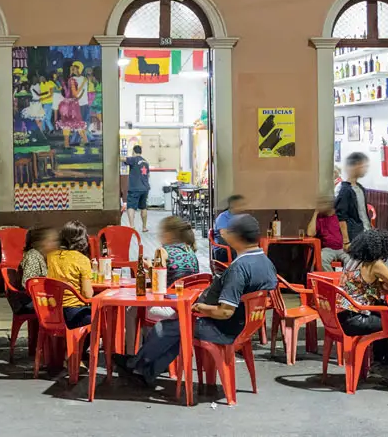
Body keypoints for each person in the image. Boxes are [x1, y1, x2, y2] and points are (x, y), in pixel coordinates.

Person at [114, 214, 277, 387]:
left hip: (223, 327)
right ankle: (145, 372)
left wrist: (201, 307)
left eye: (228, 231)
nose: (223, 234)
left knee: (165, 328)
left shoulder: (239, 268)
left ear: (237, 237)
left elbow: (224, 312)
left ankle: (134, 365)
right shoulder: (266, 262)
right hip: (247, 326)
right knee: (177, 331)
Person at [335, 229, 388, 379]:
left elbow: (363, 284)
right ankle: (385, 364)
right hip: (357, 319)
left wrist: (381, 284)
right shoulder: (375, 264)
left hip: (342, 316)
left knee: (386, 316)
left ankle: (379, 362)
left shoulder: (352, 260)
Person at [46, 221, 94, 329]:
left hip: (51, 312)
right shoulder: (82, 260)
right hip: (75, 313)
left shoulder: (50, 256)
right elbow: (87, 294)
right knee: (102, 317)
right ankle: (85, 345)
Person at [335, 152, 371, 253]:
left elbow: (363, 213)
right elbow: (341, 216)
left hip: (366, 232)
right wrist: (346, 241)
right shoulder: (345, 190)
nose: (365, 169)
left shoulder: (360, 188)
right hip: (354, 236)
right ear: (356, 166)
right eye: (363, 166)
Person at [307, 197, 349, 270]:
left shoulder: (339, 216)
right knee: (321, 259)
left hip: (342, 248)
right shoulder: (319, 218)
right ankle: (332, 279)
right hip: (327, 249)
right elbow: (310, 233)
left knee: (351, 261)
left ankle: (345, 279)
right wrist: (315, 213)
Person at [56, 61, 88, 147]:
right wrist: (83, 85)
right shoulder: (72, 80)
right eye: (72, 67)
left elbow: (64, 92)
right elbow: (75, 94)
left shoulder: (63, 79)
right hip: (72, 104)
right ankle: (85, 140)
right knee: (76, 122)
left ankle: (67, 144)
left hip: (65, 104)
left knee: (66, 124)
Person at [124, 145, 151, 232]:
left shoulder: (134, 159)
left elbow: (123, 159)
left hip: (135, 188)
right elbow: (148, 175)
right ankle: (144, 227)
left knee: (131, 206)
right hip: (145, 188)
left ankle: (132, 226)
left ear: (134, 152)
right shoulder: (146, 162)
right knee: (143, 207)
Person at [212, 194, 246, 263]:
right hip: (223, 249)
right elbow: (224, 237)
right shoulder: (223, 217)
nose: (242, 207)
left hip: (235, 248)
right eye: (240, 205)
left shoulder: (240, 217)